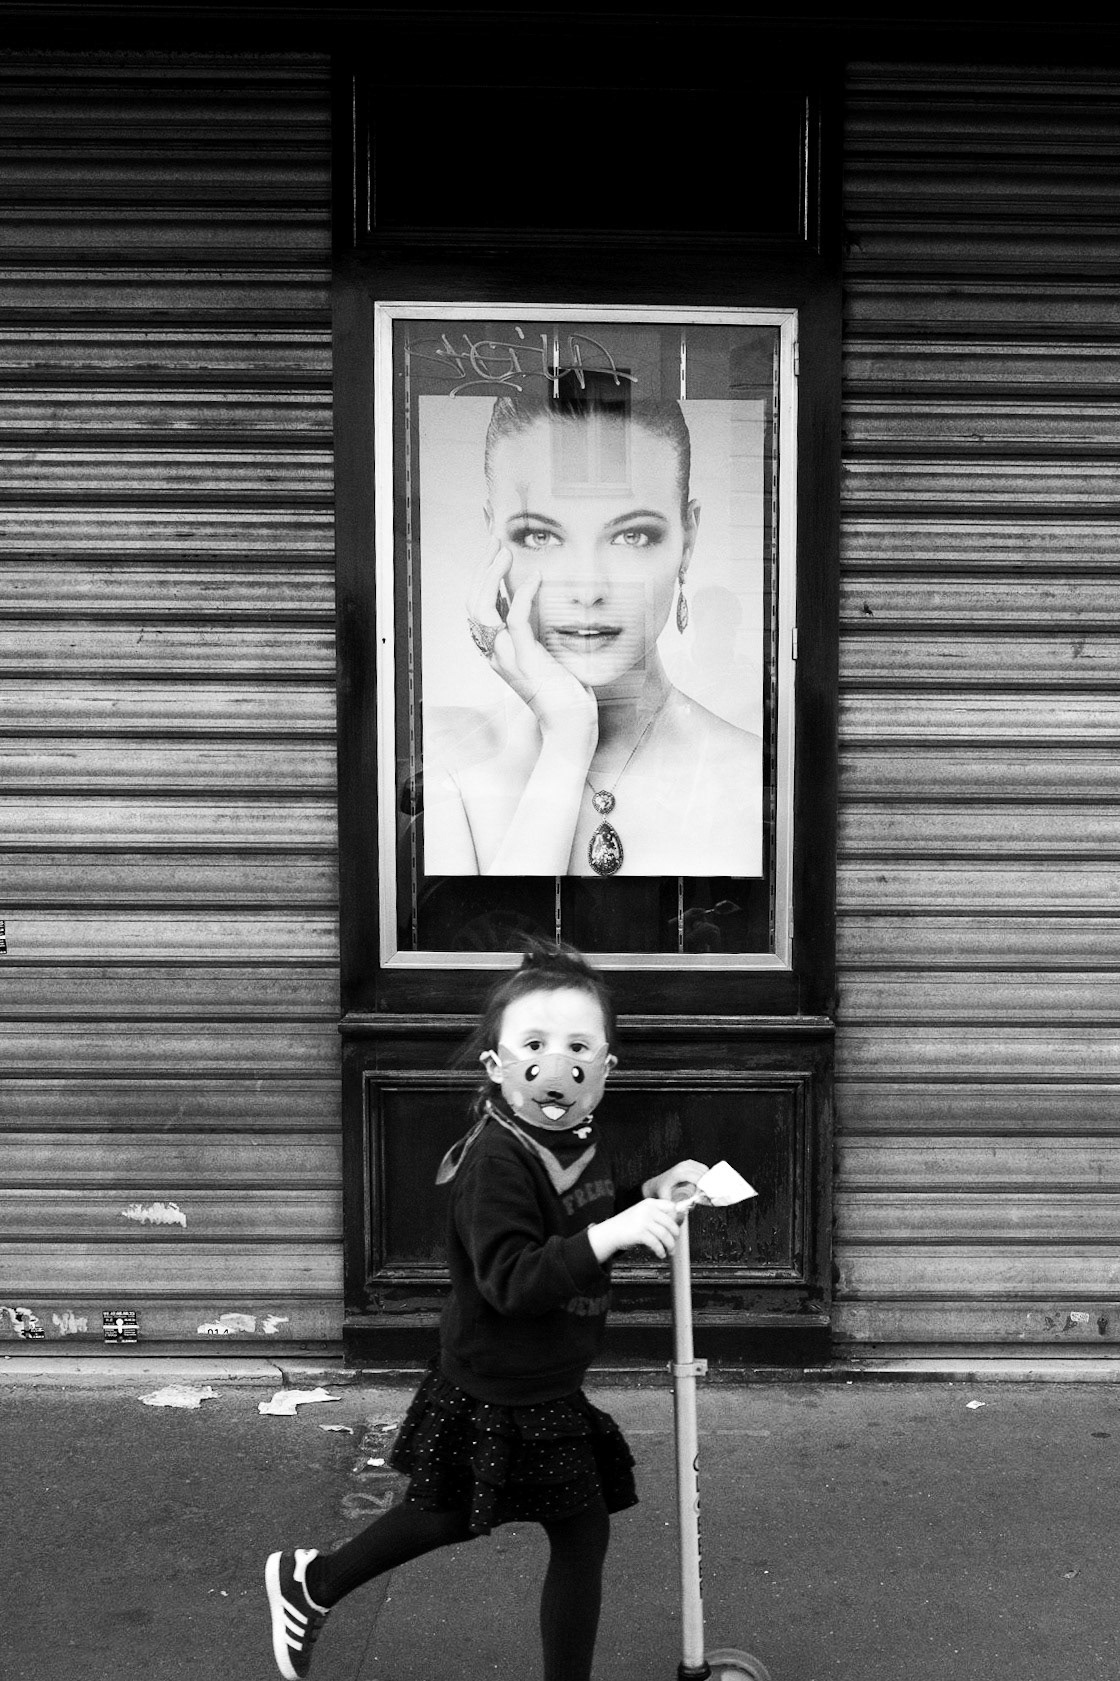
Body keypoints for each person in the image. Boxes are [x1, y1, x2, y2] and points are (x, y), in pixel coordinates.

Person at [265, 941, 708, 1680]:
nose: (556, 1063)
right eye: (533, 1044)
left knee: (517, 1519)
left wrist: (647, 1195)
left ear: (607, 1067)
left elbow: (581, 1223)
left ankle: (312, 1583)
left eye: (578, 1045)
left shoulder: (574, 1136)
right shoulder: (496, 1161)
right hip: (499, 1382)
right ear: (497, 1066)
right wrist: (610, 1233)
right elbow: (511, 1278)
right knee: (526, 1522)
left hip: (539, 1377)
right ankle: (313, 1584)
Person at [422, 387, 763, 878]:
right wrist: (566, 739)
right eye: (539, 536)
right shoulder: (446, 759)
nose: (588, 588)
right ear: (492, 540)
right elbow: (507, 951)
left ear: (688, 540)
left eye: (632, 536)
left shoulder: (754, 775)